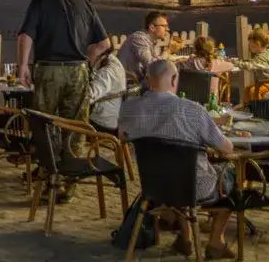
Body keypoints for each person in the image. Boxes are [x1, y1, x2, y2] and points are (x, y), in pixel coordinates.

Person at [118, 59, 237, 259]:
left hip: (154, 186)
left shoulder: (129, 108)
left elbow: (123, 135)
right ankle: (216, 242)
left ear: (147, 80)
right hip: (195, 188)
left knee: (178, 171)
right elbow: (227, 148)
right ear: (174, 80)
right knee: (232, 175)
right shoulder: (193, 111)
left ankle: (186, 238)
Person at [17, 0, 111, 180]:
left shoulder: (40, 1)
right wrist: (88, 60)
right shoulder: (85, 4)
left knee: (44, 123)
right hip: (78, 70)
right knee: (76, 125)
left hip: (49, 69)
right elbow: (104, 44)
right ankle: (71, 178)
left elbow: (25, 36)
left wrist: (23, 65)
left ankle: (48, 175)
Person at [117, 11, 183, 81]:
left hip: (137, 81)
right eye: (164, 26)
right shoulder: (139, 39)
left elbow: (155, 62)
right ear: (152, 27)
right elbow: (152, 66)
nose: (167, 29)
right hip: (128, 84)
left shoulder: (148, 40)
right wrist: (168, 50)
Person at [176, 36, 236, 101]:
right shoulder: (216, 63)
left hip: (188, 102)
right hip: (210, 105)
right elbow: (231, 65)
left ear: (195, 48)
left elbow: (175, 66)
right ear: (212, 49)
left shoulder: (187, 63)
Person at [233, 27, 269, 99]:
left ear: (257, 43)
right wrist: (240, 61)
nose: (249, 45)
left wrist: (235, 63)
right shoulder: (268, 53)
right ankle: (247, 107)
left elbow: (251, 66)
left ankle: (259, 109)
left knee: (254, 91)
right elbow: (253, 61)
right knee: (248, 89)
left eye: (250, 43)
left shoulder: (261, 58)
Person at [87, 48, 127, 132]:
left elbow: (88, 97)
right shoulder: (110, 59)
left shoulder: (107, 71)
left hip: (101, 123)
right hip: (107, 117)